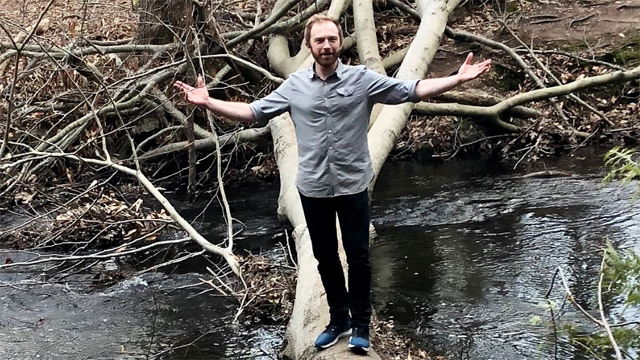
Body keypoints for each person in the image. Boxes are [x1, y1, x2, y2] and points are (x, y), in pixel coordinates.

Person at [174, 14, 491, 354]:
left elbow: (410, 89)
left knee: (358, 258)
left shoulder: (362, 80)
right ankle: (337, 320)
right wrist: (209, 102)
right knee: (326, 258)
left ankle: (361, 327)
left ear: (340, 43)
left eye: (332, 40)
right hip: (313, 189)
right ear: (309, 46)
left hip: (353, 186)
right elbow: (253, 112)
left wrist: (455, 80)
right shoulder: (294, 86)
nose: (326, 46)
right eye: (319, 41)